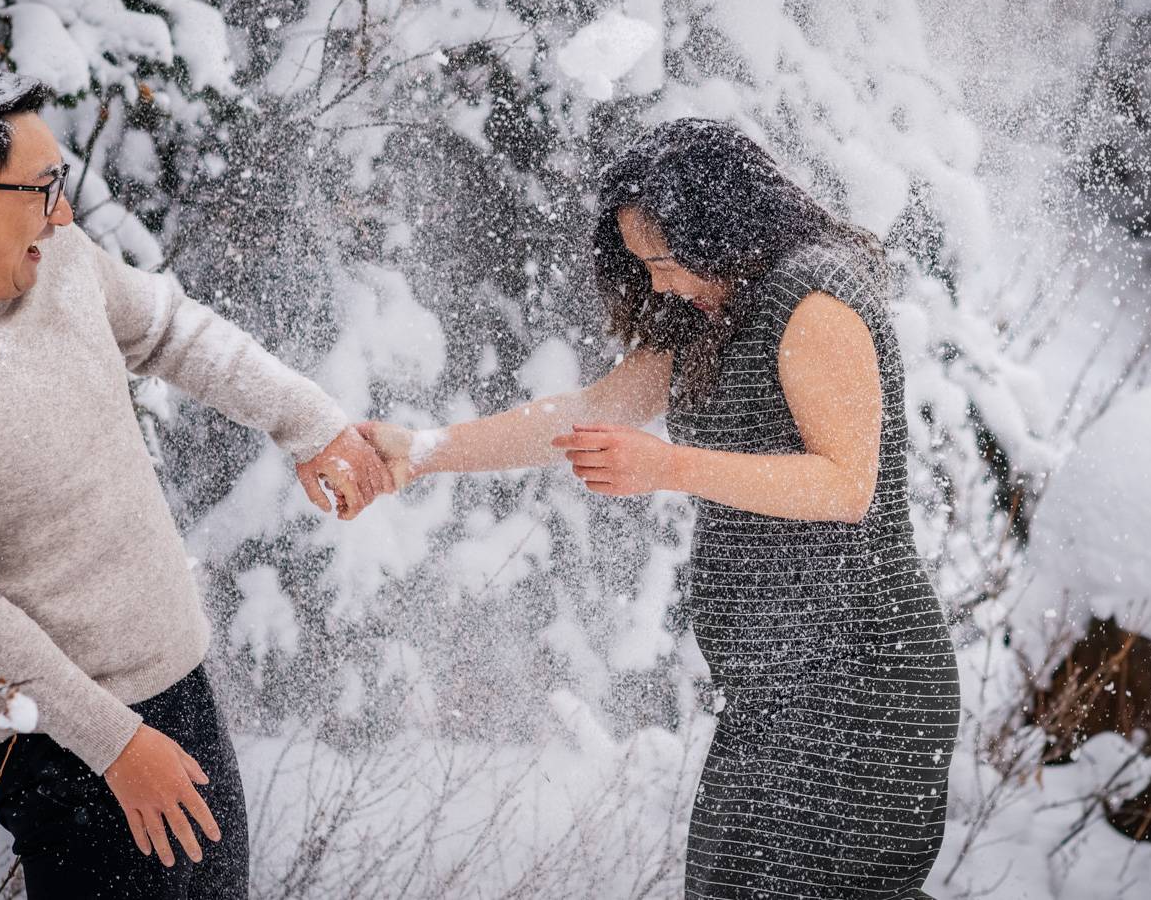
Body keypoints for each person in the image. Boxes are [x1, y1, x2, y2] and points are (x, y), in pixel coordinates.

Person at [0, 70, 390, 898]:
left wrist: (309, 421)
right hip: (62, 741)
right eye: (43, 187)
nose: (65, 212)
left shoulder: (52, 260)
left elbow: (169, 331)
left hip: (176, 683)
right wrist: (117, 743)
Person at [361, 119, 960, 898]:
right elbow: (588, 410)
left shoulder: (815, 300)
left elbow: (846, 486)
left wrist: (670, 466)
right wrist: (426, 450)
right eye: (644, 265)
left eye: (668, 261)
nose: (659, 285)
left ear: (725, 230)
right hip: (774, 688)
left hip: (860, 684)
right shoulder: (712, 314)